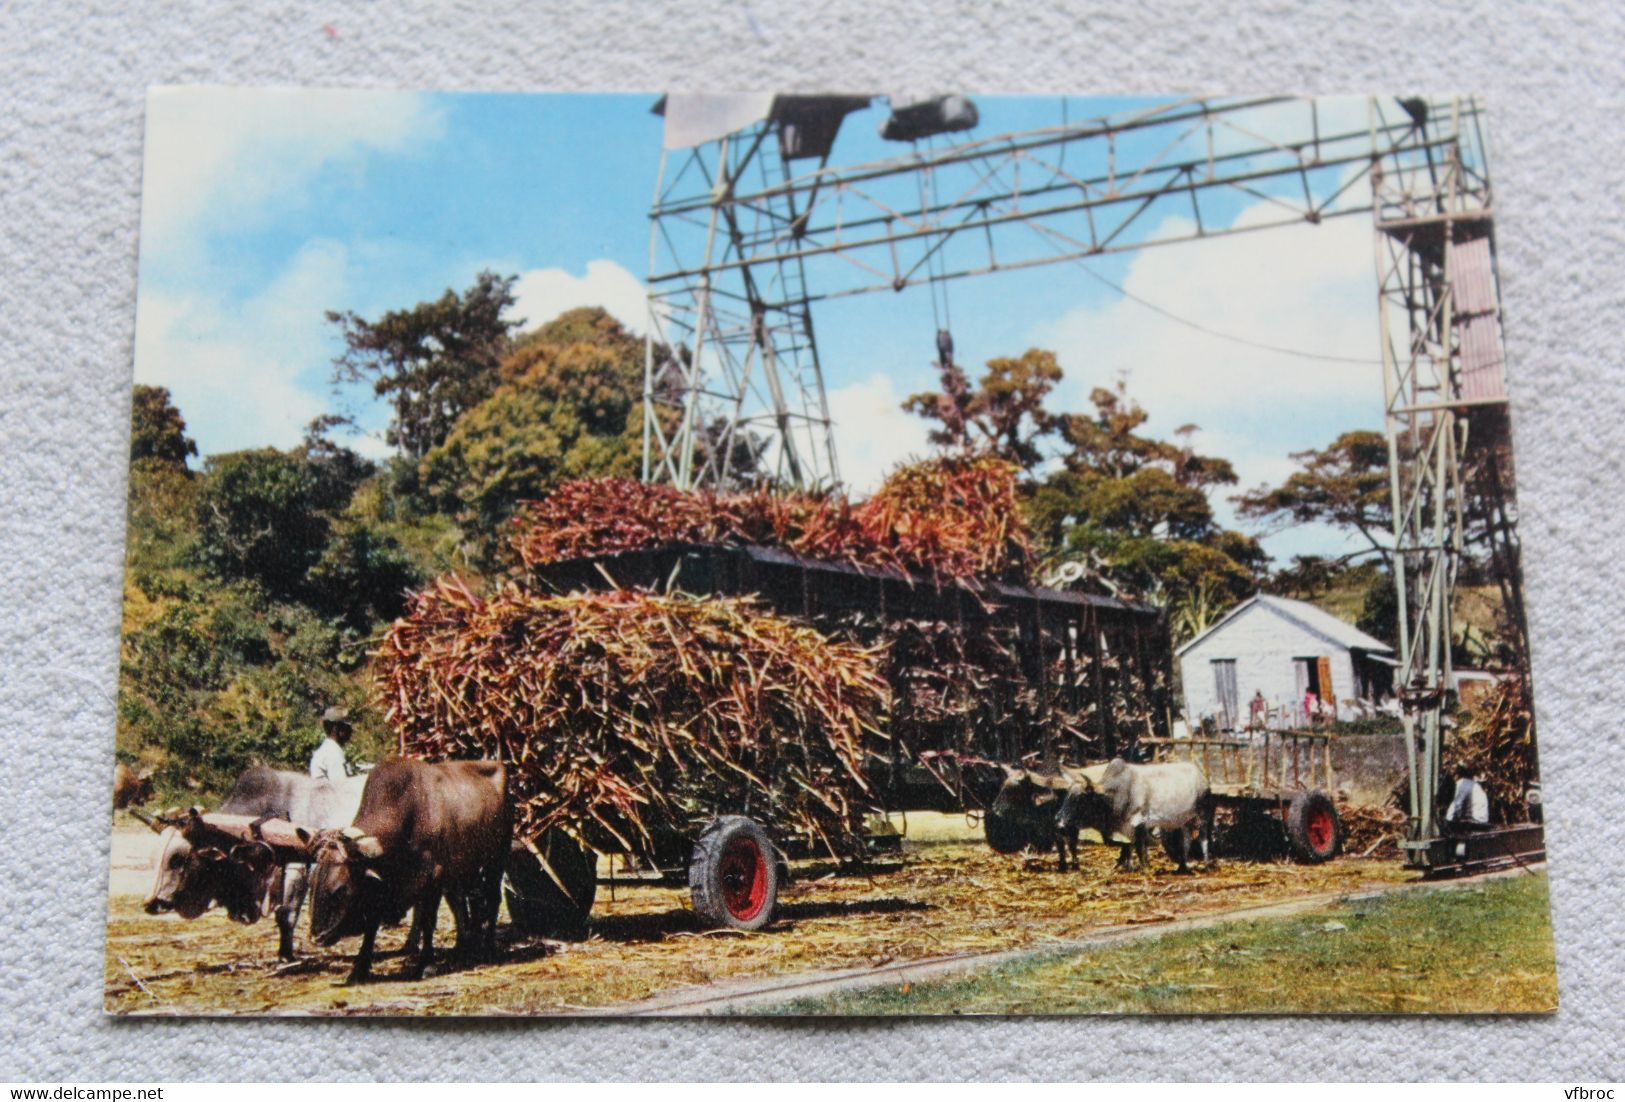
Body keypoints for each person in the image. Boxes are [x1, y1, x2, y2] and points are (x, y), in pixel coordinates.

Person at [310, 706, 353, 784]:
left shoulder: (325, 749)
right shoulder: (333, 753)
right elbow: (341, 788)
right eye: (347, 727)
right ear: (335, 729)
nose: (351, 731)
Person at [1444, 762, 1491, 832]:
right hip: (1483, 822)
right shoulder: (1475, 785)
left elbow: (1456, 805)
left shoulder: (1462, 783)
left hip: (1473, 824)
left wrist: (1446, 821)